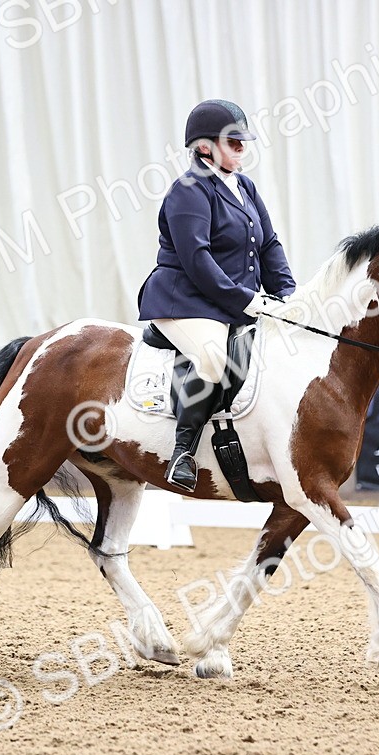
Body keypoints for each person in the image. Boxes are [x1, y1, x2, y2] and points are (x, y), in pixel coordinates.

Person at [137, 99, 297, 492]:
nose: (243, 147)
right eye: (234, 142)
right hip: (184, 301)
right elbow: (198, 261)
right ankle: (183, 454)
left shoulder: (244, 187)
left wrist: (288, 296)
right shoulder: (187, 191)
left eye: (244, 141)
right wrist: (247, 299)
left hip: (228, 302)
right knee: (212, 358)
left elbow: (269, 245)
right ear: (205, 147)